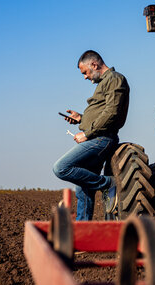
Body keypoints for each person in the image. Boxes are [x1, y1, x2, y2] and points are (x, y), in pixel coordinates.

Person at [52, 50, 130, 220]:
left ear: (94, 65)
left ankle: (107, 184)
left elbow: (112, 112)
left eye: (85, 72)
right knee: (83, 187)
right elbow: (102, 111)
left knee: (61, 168)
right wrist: (81, 118)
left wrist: (87, 133)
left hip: (101, 138)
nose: (85, 77)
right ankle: (83, 232)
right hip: (95, 136)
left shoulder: (115, 79)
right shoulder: (104, 84)